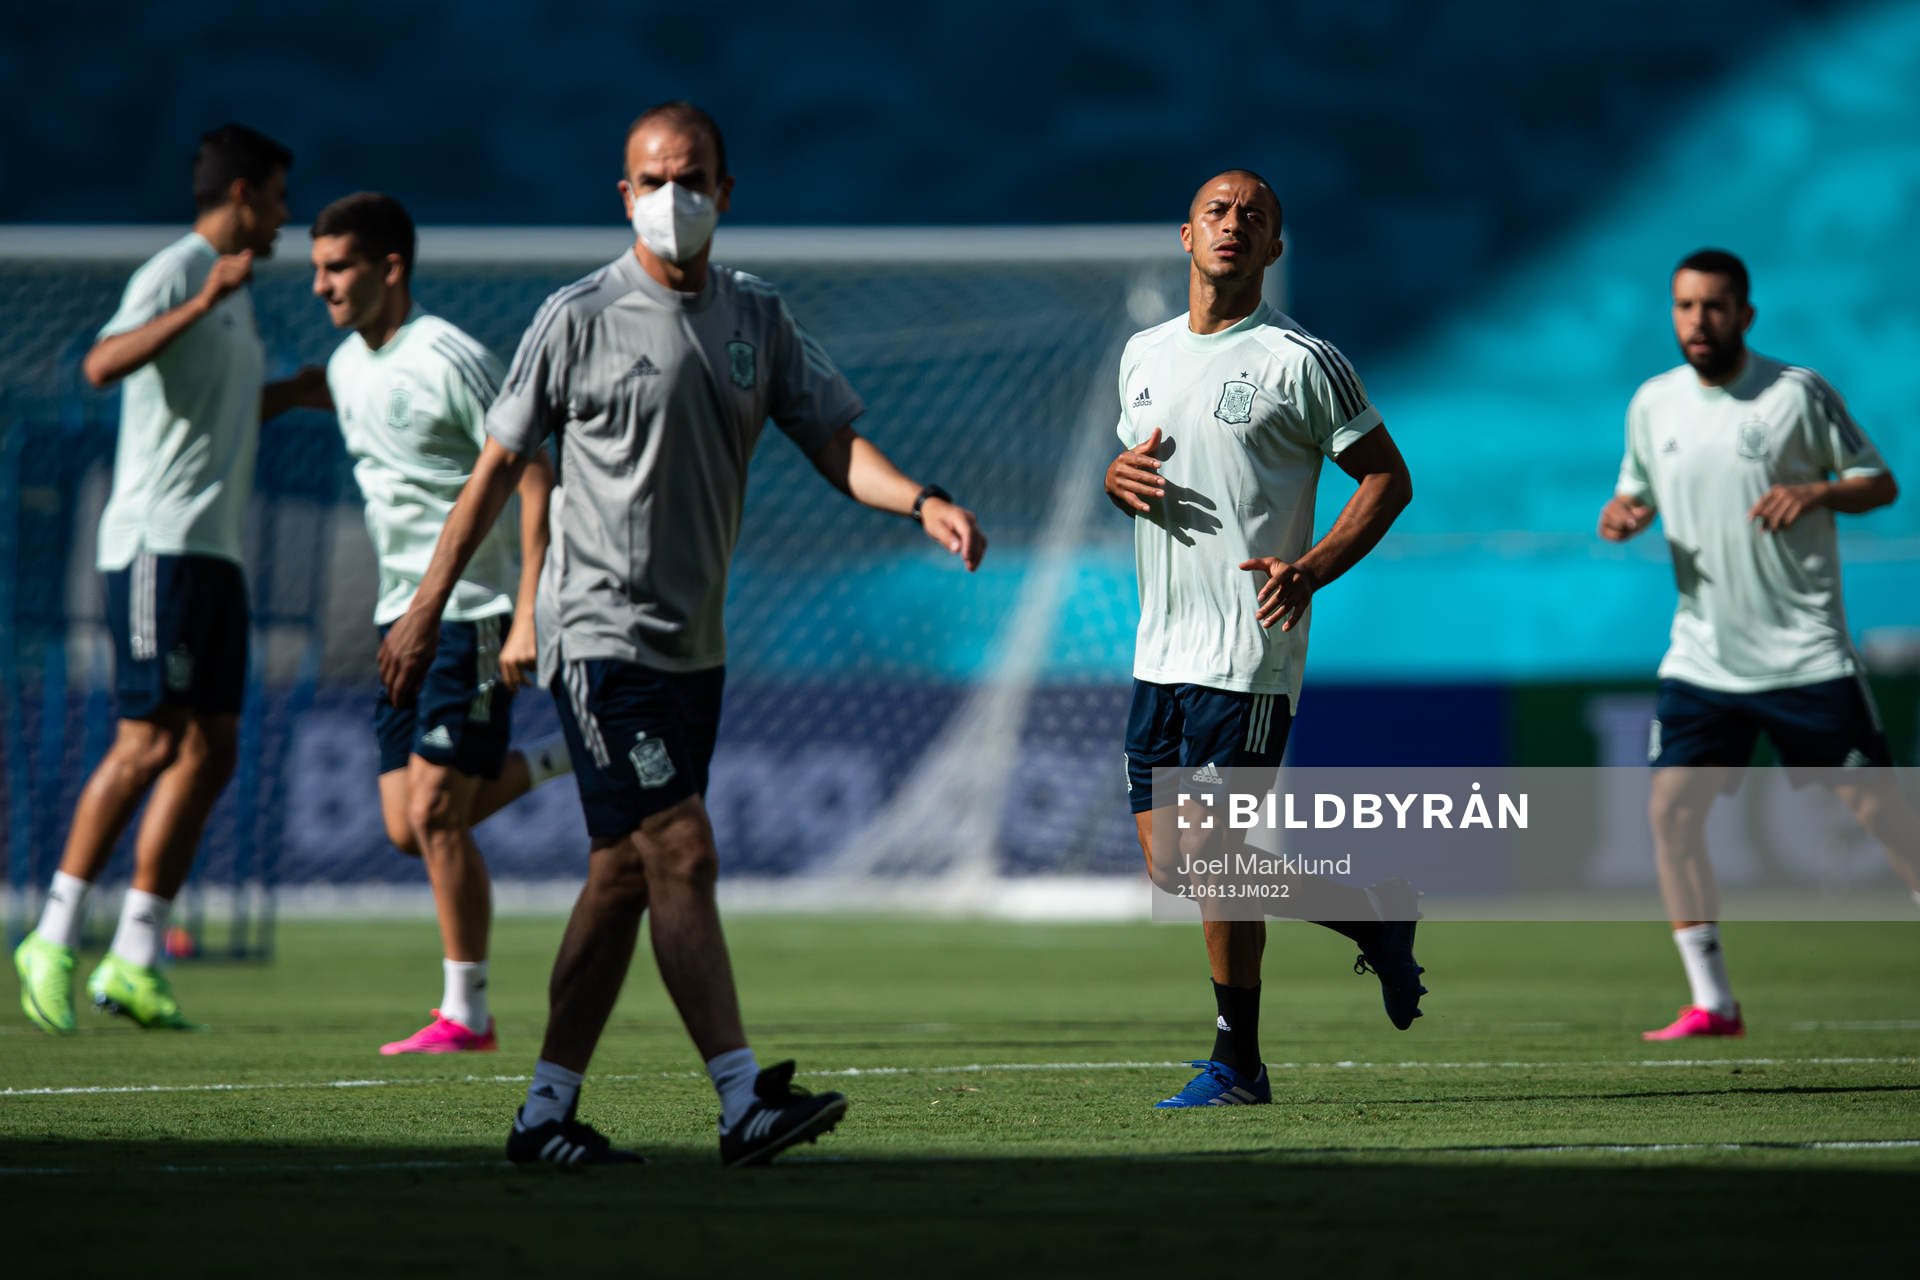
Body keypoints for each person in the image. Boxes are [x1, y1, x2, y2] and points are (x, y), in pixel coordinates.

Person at [378, 101, 986, 1166]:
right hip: (596, 635)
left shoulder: (758, 318)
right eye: (653, 180)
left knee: (620, 871)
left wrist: (919, 498)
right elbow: (495, 468)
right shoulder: (576, 317)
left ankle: (543, 1114)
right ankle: (744, 1099)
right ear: (624, 194)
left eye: (692, 177)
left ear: (727, 190)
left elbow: (833, 441)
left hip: (691, 645)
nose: (674, 197)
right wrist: (432, 602)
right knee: (682, 848)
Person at [1105, 169, 1419, 1108]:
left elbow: (1387, 479)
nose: (1234, 224)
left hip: (1248, 652)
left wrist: (1312, 568)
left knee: (1209, 858)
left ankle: (1238, 1064)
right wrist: (1117, 478)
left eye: (1255, 216)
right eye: (1218, 211)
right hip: (1158, 648)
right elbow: (1138, 464)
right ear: (1186, 236)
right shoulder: (1143, 354)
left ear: (1274, 249)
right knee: (1176, 865)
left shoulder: (1298, 359)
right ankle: (1369, 915)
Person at [13, 124, 328, 1035]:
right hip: (157, 547)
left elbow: (214, 411)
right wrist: (197, 303)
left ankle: (137, 955)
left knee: (214, 746)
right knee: (149, 740)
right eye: (274, 198)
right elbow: (102, 364)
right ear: (239, 196)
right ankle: (53, 933)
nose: (282, 218)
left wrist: (290, 395)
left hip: (213, 551)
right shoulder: (180, 271)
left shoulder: (235, 296)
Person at [1599, 247, 1919, 1041]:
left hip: (1803, 653)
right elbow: (1633, 491)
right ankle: (1714, 1001)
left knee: (1886, 820)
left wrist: (1814, 489)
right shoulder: (1653, 404)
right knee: (1670, 814)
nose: (1697, 322)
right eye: (1684, 307)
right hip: (1702, 655)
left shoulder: (1794, 394)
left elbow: (1880, 482)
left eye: (1713, 307)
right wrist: (1623, 514)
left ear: (1744, 314)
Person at [311, 191, 575, 1055]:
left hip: (470, 615)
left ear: (390, 269)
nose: (322, 286)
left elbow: (536, 475)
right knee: (405, 826)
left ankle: (469, 1013)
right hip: (396, 616)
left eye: (338, 267)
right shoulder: (347, 365)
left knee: (434, 812)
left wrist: (529, 608)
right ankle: (554, 756)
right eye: (316, 269)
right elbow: (342, 397)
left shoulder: (454, 358)